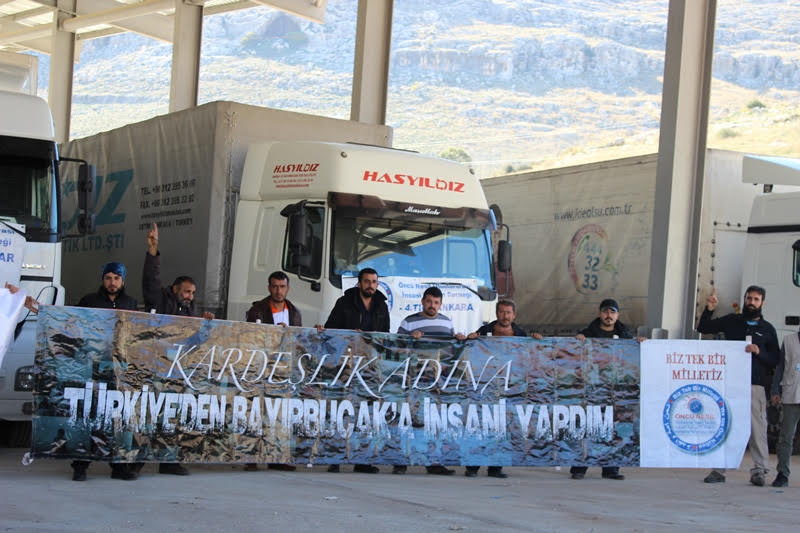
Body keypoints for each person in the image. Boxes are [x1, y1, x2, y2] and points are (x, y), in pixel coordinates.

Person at [143, 223, 213, 476]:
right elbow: (151, 281)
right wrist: (153, 251)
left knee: (173, 416)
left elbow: (193, 343)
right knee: (148, 414)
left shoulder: (190, 311)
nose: (190, 296)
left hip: (177, 372)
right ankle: (135, 462)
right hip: (156, 367)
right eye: (186, 291)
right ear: (175, 290)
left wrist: (204, 328)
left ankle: (169, 460)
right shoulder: (160, 299)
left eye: (193, 293)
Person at [698, 286, 779, 486]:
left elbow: (775, 359)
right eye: (749, 298)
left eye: (756, 299)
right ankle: (719, 470)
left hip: (754, 386)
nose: (751, 302)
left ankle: (759, 471)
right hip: (730, 384)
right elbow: (703, 328)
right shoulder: (731, 321)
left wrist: (759, 352)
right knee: (726, 426)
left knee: (757, 430)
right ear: (744, 299)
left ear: (762, 303)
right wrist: (709, 309)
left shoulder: (768, 329)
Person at [71, 262, 144, 481]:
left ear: (123, 280)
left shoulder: (130, 303)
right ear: (103, 279)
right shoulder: (89, 301)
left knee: (117, 418)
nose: (112, 282)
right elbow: (74, 324)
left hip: (119, 369)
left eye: (116, 278)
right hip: (93, 367)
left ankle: (118, 466)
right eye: (108, 278)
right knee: (90, 415)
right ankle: (80, 465)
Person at [321, 267, 389, 474]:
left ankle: (363, 460)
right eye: (367, 281)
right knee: (341, 409)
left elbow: (386, 335)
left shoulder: (381, 306)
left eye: (374, 282)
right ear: (359, 283)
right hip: (346, 364)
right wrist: (351, 334)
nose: (371, 285)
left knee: (366, 412)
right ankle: (335, 458)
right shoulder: (344, 303)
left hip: (369, 366)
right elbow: (331, 328)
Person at [393, 286, 466, 476]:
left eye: (436, 302)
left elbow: (450, 351)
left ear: (440, 304)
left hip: (436, 381)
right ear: (422, 301)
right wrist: (409, 338)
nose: (432, 305)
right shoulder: (409, 322)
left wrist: (458, 338)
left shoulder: (446, 322)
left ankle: (433, 462)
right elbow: (397, 346)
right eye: (429, 301)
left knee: (434, 421)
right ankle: (401, 461)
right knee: (408, 418)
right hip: (413, 378)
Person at [571, 298, 641, 481]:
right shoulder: (587, 334)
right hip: (593, 386)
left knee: (614, 427)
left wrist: (640, 344)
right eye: (605, 312)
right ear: (599, 314)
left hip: (616, 389)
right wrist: (578, 341)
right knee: (588, 426)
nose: (608, 315)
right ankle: (579, 468)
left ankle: (611, 469)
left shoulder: (626, 336)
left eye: (612, 312)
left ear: (617, 315)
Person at [243, 271, 302, 472]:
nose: (278, 291)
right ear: (269, 288)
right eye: (275, 286)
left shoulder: (294, 312)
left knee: (278, 413)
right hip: (261, 366)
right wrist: (272, 332)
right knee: (257, 411)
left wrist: (288, 334)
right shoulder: (257, 310)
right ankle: (252, 456)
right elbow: (249, 336)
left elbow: (298, 340)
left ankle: (276, 456)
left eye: (282, 286)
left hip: (283, 368)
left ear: (288, 288)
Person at [464, 299, 528, 479]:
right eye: (502, 312)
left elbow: (529, 355)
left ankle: (495, 467)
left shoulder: (521, 335)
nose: (505, 316)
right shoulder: (485, 331)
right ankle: (472, 466)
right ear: (496, 313)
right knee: (480, 426)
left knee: (502, 428)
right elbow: (470, 350)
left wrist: (537, 340)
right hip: (485, 385)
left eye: (508, 312)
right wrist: (470, 338)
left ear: (514, 315)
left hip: (509, 388)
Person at [770, 327, 800, 487]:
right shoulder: (789, 340)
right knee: (786, 437)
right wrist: (775, 390)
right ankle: (782, 474)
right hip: (791, 393)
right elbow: (780, 367)